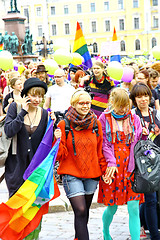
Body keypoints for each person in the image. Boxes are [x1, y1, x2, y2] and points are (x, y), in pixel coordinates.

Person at [4, 77, 56, 239]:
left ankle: (33, 237)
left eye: (40, 96)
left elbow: (47, 143)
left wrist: (55, 130)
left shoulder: (46, 114)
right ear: (26, 94)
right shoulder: (15, 107)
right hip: (16, 168)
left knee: (35, 207)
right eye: (34, 95)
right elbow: (9, 131)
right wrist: (23, 112)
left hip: (37, 171)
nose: (37, 99)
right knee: (16, 207)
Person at [54, 89, 107, 240]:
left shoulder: (96, 124)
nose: (85, 106)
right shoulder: (65, 124)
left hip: (92, 174)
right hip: (71, 174)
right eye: (81, 103)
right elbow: (60, 155)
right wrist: (57, 139)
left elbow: (100, 150)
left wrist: (104, 172)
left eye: (87, 103)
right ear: (74, 104)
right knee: (81, 209)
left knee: (84, 212)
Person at [98, 87, 144, 240]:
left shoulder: (134, 118)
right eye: (120, 105)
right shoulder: (104, 118)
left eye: (126, 105)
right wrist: (111, 162)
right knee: (112, 206)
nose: (123, 109)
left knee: (133, 208)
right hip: (113, 167)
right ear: (112, 102)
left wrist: (143, 133)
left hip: (131, 167)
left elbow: (137, 142)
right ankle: (105, 231)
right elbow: (103, 143)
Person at [130, 82, 160, 240]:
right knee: (150, 199)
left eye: (146, 95)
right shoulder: (132, 115)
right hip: (142, 164)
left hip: (158, 162)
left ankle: (144, 224)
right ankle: (155, 235)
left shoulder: (156, 113)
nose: (143, 99)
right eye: (139, 96)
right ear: (134, 99)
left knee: (151, 199)